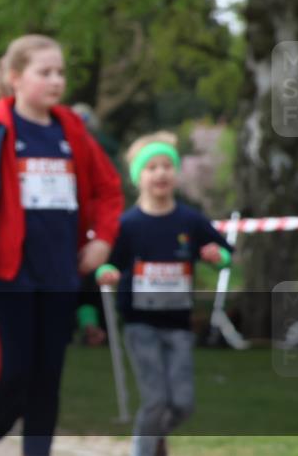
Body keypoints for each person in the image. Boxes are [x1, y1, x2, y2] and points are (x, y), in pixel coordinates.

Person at [0, 35, 124, 456]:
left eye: (60, 72)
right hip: (6, 274)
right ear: (15, 77)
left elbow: (110, 189)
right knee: (14, 373)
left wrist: (103, 241)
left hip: (59, 273)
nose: (56, 80)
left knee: (46, 380)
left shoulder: (72, 132)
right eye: (45, 72)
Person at [95, 131, 233, 456]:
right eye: (152, 167)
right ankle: (143, 449)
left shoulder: (190, 220)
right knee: (155, 399)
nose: (161, 173)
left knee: (182, 404)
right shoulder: (127, 225)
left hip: (179, 324)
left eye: (167, 166)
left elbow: (224, 254)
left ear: (176, 173)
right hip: (140, 323)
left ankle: (147, 437)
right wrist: (107, 273)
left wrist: (217, 256)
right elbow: (106, 265)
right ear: (137, 178)